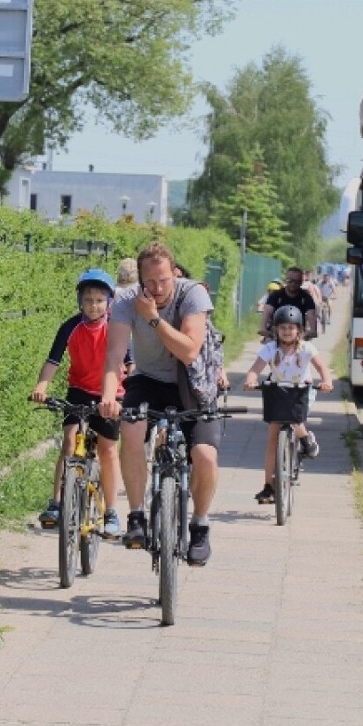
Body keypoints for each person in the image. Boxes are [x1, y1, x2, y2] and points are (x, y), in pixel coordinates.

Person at [100, 241, 226, 566]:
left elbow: (188, 350)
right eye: (149, 282)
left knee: (205, 456)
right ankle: (137, 516)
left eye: (163, 281)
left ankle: (199, 524)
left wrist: (154, 319)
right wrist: (107, 395)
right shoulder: (127, 300)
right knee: (130, 430)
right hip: (148, 380)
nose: (156, 289)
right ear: (140, 278)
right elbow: (115, 356)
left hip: (192, 384)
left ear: (175, 274)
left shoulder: (192, 294)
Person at [30, 268, 123, 538]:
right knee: (69, 442)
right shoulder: (70, 326)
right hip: (79, 391)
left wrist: (123, 395)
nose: (93, 305)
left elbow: (130, 364)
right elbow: (53, 361)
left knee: (108, 449)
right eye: (88, 299)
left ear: (108, 302)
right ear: (80, 301)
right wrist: (41, 386)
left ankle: (112, 511)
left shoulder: (116, 328)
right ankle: (56, 502)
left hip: (110, 394)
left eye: (99, 300)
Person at [244, 304, 333, 504]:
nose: (287, 332)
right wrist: (251, 379)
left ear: (299, 330)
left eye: (291, 328)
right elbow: (255, 368)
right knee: (273, 438)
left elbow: (321, 367)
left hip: (301, 390)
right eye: (282, 328)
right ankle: (268, 486)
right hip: (278, 391)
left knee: (294, 418)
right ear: (276, 329)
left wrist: (326, 381)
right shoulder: (270, 348)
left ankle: (305, 439)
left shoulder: (307, 348)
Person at [259, 266, 317, 339]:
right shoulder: (276, 295)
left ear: (301, 282)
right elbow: (267, 311)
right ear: (286, 281)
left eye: (296, 281)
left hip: (298, 335)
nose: (293, 284)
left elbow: (311, 314)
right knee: (267, 348)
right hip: (276, 334)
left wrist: (313, 330)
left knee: (309, 350)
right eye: (290, 280)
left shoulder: (306, 297)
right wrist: (263, 328)